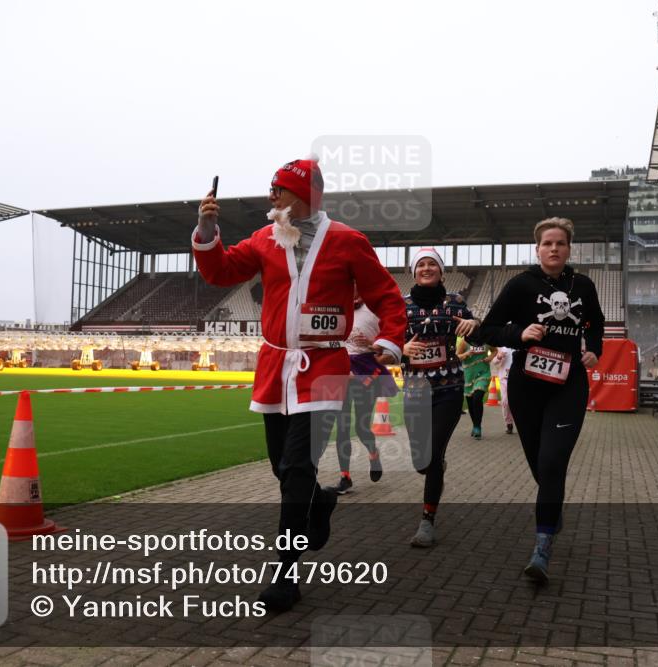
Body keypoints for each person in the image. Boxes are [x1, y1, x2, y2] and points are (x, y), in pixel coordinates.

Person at [192, 158, 406, 611]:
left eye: (279, 189)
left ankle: (285, 575)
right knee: (282, 470)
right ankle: (320, 504)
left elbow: (386, 295)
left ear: (307, 194)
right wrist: (207, 231)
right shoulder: (264, 239)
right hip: (274, 368)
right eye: (271, 188)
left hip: (325, 366)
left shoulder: (349, 241)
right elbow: (221, 271)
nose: (271, 196)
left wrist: (390, 340)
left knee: (295, 469)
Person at [473, 217, 604, 584]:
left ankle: (542, 547)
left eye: (560, 243)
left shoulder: (584, 286)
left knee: (552, 461)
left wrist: (594, 349)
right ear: (538, 248)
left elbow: (595, 322)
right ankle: (552, 502)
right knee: (540, 465)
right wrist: (519, 332)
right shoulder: (521, 284)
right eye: (548, 243)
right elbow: (487, 329)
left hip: (568, 385)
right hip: (526, 387)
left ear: (568, 248)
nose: (554, 249)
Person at [401, 248, 480, 547]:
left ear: (442, 271)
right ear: (413, 271)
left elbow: (477, 337)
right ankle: (434, 466)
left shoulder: (457, 303)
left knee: (432, 456)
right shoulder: (401, 306)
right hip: (414, 390)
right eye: (420, 264)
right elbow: (385, 347)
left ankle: (427, 521)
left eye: (432, 263)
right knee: (422, 461)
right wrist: (401, 348)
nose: (426, 268)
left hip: (449, 389)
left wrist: (475, 325)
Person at [326, 288, 397, 494]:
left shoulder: (375, 309)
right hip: (341, 370)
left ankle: (373, 454)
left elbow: (390, 345)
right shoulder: (336, 308)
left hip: (367, 370)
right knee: (342, 426)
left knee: (361, 427)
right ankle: (344, 477)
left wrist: (374, 345)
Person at [457, 337, 493, 439]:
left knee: (477, 398)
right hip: (468, 375)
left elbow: (494, 350)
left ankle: (478, 427)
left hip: (483, 373)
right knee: (471, 402)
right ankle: (475, 425)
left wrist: (490, 358)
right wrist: (465, 354)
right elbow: (456, 356)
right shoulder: (464, 342)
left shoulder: (486, 340)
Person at [491, 346, 516, 434]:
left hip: (517, 378)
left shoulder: (519, 345)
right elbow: (494, 362)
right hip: (504, 378)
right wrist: (499, 357)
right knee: (505, 401)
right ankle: (508, 423)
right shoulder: (502, 347)